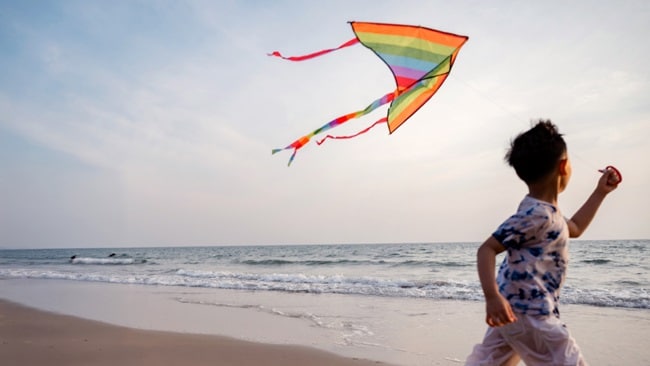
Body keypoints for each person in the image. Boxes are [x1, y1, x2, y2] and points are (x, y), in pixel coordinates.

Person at [465, 120, 621, 366]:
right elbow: (487, 248)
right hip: (532, 313)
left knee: (491, 362)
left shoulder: (545, 213)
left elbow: (576, 227)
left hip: (512, 310)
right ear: (564, 166)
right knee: (568, 362)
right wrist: (491, 297)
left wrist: (600, 192)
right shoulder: (538, 215)